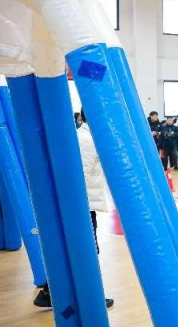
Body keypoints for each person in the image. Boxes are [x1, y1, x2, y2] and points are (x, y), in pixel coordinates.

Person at [33, 109, 115, 309]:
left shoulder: (87, 137)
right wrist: (77, 211)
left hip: (83, 205)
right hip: (81, 206)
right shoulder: (85, 140)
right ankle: (89, 297)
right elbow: (79, 178)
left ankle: (52, 292)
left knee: (83, 250)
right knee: (87, 250)